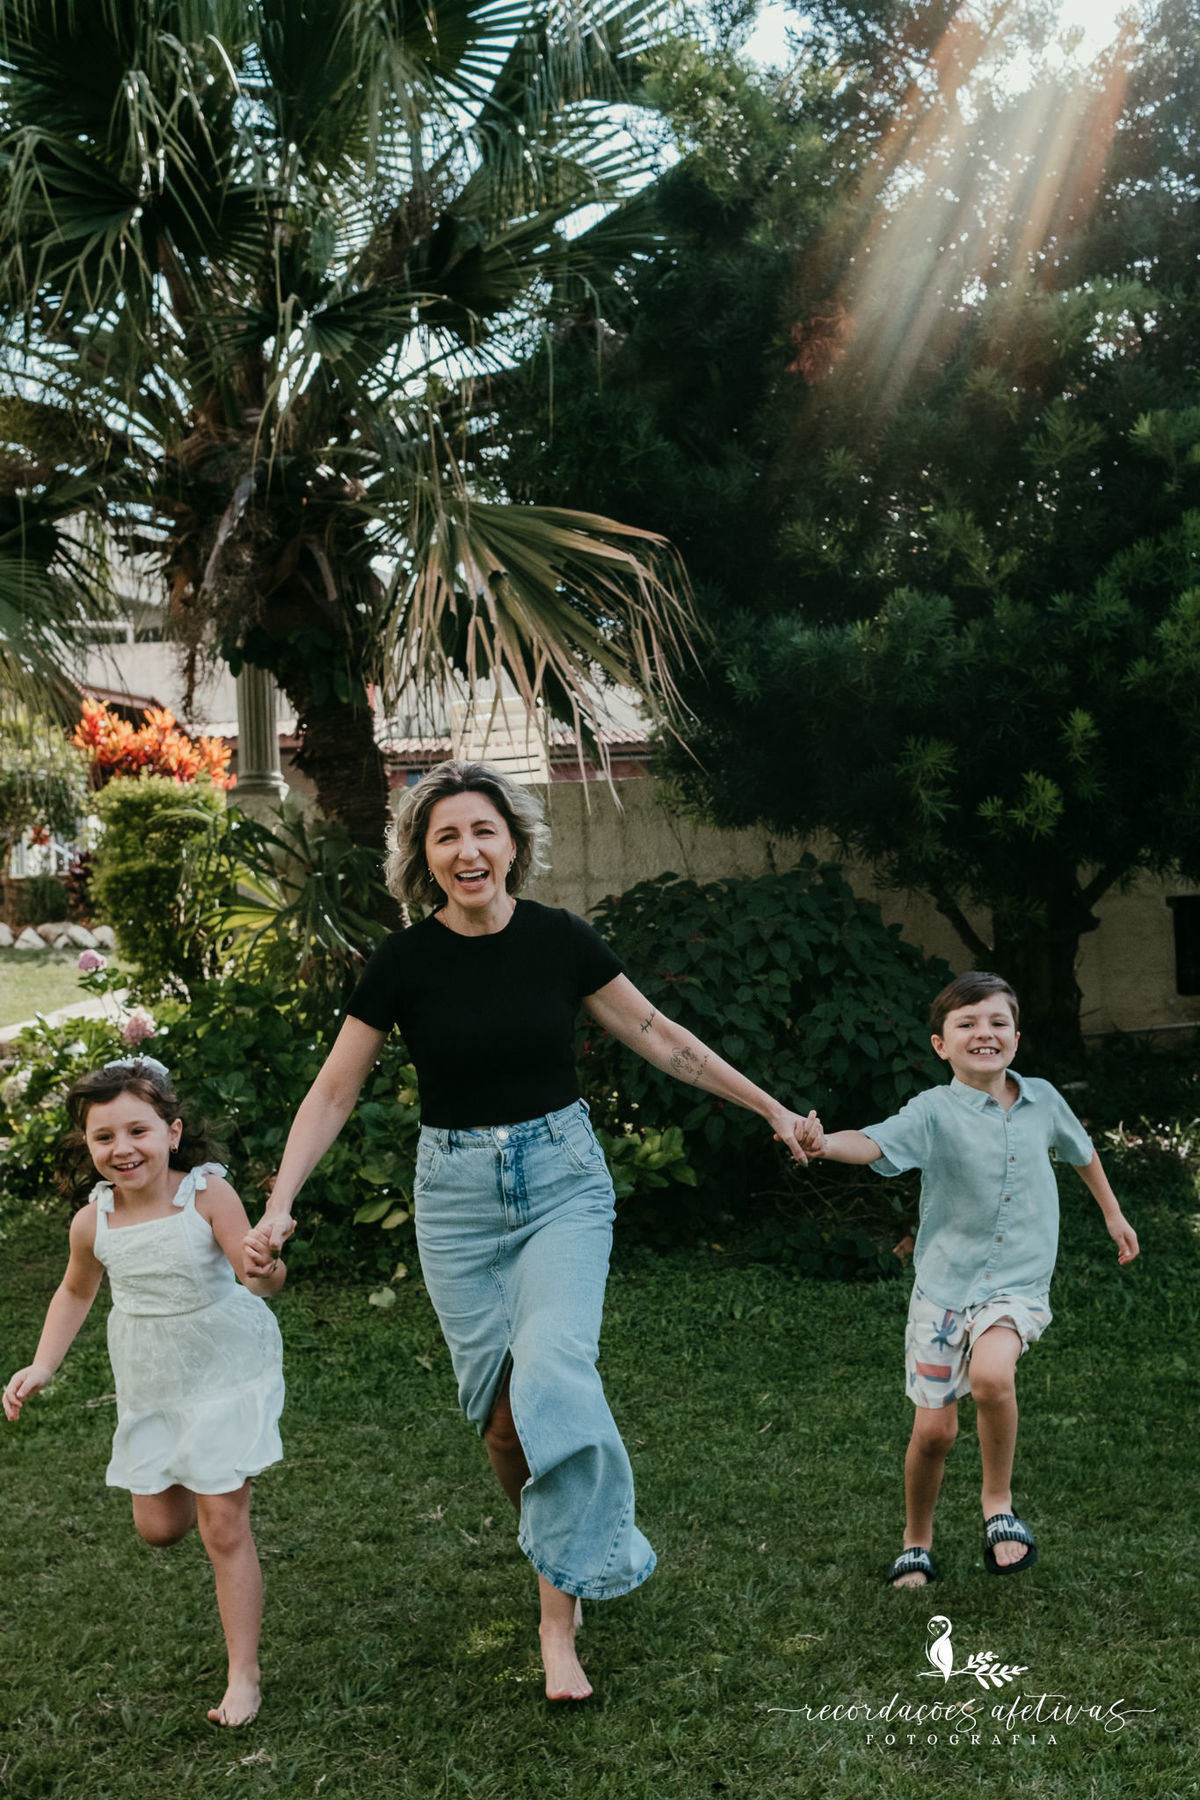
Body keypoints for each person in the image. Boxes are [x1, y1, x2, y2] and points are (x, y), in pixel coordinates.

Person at [243, 759, 821, 1700]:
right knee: (505, 1429)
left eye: (484, 830)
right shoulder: (404, 962)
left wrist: (770, 1108)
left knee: (552, 1373)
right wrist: (280, 1204)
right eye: (446, 836)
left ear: (512, 843)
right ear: (425, 858)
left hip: (561, 1184)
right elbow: (335, 1090)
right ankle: (568, 1549)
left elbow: (663, 1037)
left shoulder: (560, 940)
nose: (468, 850)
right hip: (457, 1201)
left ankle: (560, 1623)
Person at [809, 971, 1138, 1588]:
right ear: (941, 1044)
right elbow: (873, 1143)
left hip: (1016, 1285)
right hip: (943, 1292)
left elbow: (1082, 1151)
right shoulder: (932, 1111)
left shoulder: (1043, 1099)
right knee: (934, 1434)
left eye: (997, 1022)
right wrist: (823, 1143)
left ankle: (998, 1505)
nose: (984, 1032)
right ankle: (916, 1541)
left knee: (992, 1376)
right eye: (967, 1023)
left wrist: (1113, 1214)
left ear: (1016, 1037)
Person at [3, 1056, 286, 1726]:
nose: (123, 1148)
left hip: (223, 1367)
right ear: (87, 1145)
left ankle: (243, 1676)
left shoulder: (207, 1196)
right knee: (159, 1529)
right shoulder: (92, 1223)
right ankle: (195, 1480)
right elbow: (75, 1292)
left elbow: (257, 1281)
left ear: (172, 1133)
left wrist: (267, 1263)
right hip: (151, 1376)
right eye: (104, 1137)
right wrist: (43, 1364)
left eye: (138, 1131)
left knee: (223, 1526)